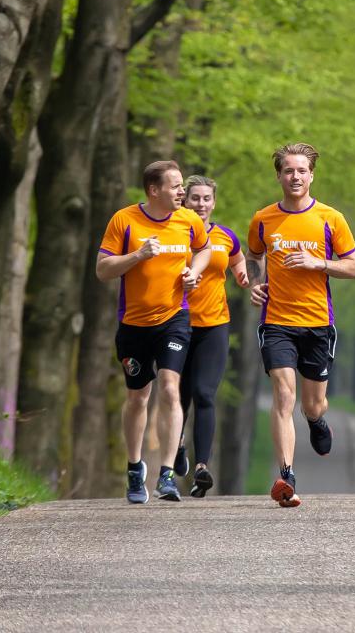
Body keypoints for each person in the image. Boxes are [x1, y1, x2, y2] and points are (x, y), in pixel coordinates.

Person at [247, 142, 355, 508]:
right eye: (288, 171)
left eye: (301, 171)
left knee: (313, 403)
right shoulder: (263, 218)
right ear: (279, 175)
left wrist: (318, 263)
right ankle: (287, 475)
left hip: (318, 323)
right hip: (277, 321)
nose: (294, 177)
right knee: (284, 395)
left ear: (311, 175)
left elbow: (354, 267)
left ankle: (316, 420)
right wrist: (256, 282)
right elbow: (253, 255)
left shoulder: (331, 218)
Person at [96, 160, 212, 504]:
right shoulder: (124, 220)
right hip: (133, 323)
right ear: (154, 190)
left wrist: (195, 271)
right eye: (176, 186)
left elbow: (204, 248)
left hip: (174, 318)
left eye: (182, 186)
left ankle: (165, 475)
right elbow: (103, 269)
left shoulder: (189, 221)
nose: (182, 192)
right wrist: (138, 255)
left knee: (171, 388)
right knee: (137, 398)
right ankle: (135, 468)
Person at [172, 173, 249, 498]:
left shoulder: (225, 236)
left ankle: (202, 468)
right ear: (184, 200)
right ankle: (176, 447)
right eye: (195, 198)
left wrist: (244, 275)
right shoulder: (173, 233)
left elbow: (238, 259)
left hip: (214, 325)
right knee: (178, 396)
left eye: (207, 199)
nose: (201, 204)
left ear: (213, 202)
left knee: (204, 394)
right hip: (176, 323)